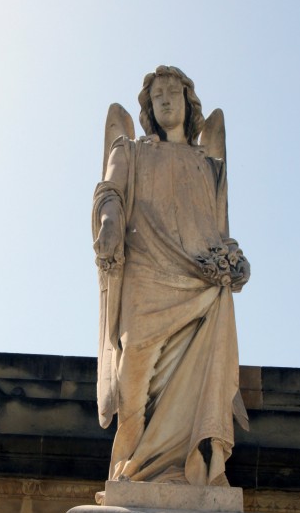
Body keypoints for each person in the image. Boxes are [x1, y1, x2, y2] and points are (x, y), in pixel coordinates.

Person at [92, 66, 250, 486]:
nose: (164, 100)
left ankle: (193, 469)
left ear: (187, 102)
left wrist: (232, 261)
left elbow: (218, 230)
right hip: (146, 280)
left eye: (172, 93)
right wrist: (109, 223)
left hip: (200, 287)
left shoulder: (208, 165)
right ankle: (127, 472)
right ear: (148, 107)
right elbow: (109, 191)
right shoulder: (130, 150)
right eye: (156, 95)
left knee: (198, 384)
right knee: (131, 390)